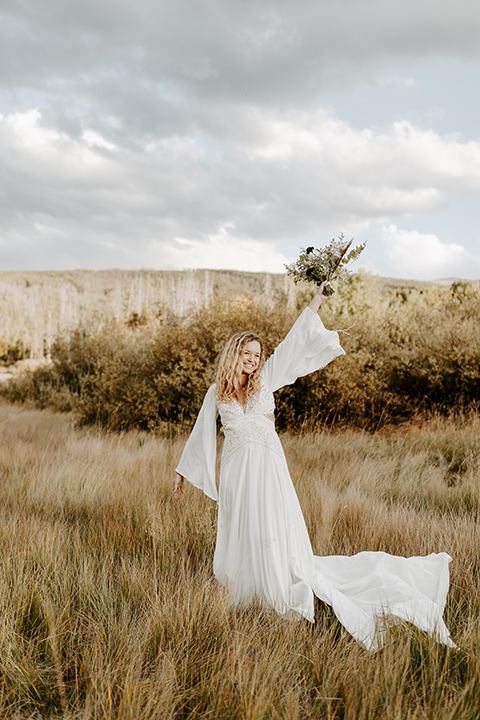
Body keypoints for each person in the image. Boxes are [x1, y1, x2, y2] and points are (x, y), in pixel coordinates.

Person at [173, 282, 454, 651]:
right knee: (245, 527)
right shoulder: (217, 393)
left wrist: (317, 299)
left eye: (257, 355)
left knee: (273, 528)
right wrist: (181, 474)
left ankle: (280, 590)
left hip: (270, 471)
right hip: (239, 473)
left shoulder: (265, 382)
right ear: (234, 352)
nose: (253, 360)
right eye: (247, 353)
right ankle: (255, 592)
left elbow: (292, 343)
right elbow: (199, 436)